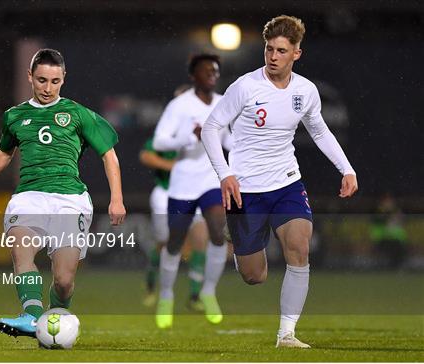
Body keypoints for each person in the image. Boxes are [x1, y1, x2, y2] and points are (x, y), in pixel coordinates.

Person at [201, 15, 358, 348]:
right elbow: (211, 128)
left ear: (296, 54)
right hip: (246, 190)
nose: (273, 56)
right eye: (269, 49)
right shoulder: (245, 86)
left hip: (287, 182)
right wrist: (225, 174)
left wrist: (346, 169)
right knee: (254, 276)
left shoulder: (306, 91)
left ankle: (286, 334)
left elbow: (319, 130)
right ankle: (239, 240)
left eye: (281, 51)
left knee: (299, 249)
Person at [0, 48, 126, 338]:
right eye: (41, 80)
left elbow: (109, 155)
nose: (47, 88)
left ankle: (55, 319)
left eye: (54, 81)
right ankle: (31, 315)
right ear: (30, 77)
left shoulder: (77, 113)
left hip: (70, 200)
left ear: (64, 78)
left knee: (64, 281)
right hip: (29, 197)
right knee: (21, 250)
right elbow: (4, 153)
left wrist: (116, 199)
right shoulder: (15, 116)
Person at [153, 54, 231, 328]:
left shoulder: (224, 103)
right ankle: (165, 295)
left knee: (218, 231)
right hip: (184, 182)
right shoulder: (179, 105)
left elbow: (230, 139)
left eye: (216, 71)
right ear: (193, 75)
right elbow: (160, 141)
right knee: (175, 242)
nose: (212, 74)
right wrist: (189, 137)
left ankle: (208, 291)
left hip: (211, 180)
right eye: (206, 70)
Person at [139, 135, 208, 311]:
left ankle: (195, 295)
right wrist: (174, 167)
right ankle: (151, 286)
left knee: (200, 240)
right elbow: (146, 156)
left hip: (193, 194)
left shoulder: (200, 135)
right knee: (165, 243)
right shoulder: (165, 135)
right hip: (165, 194)